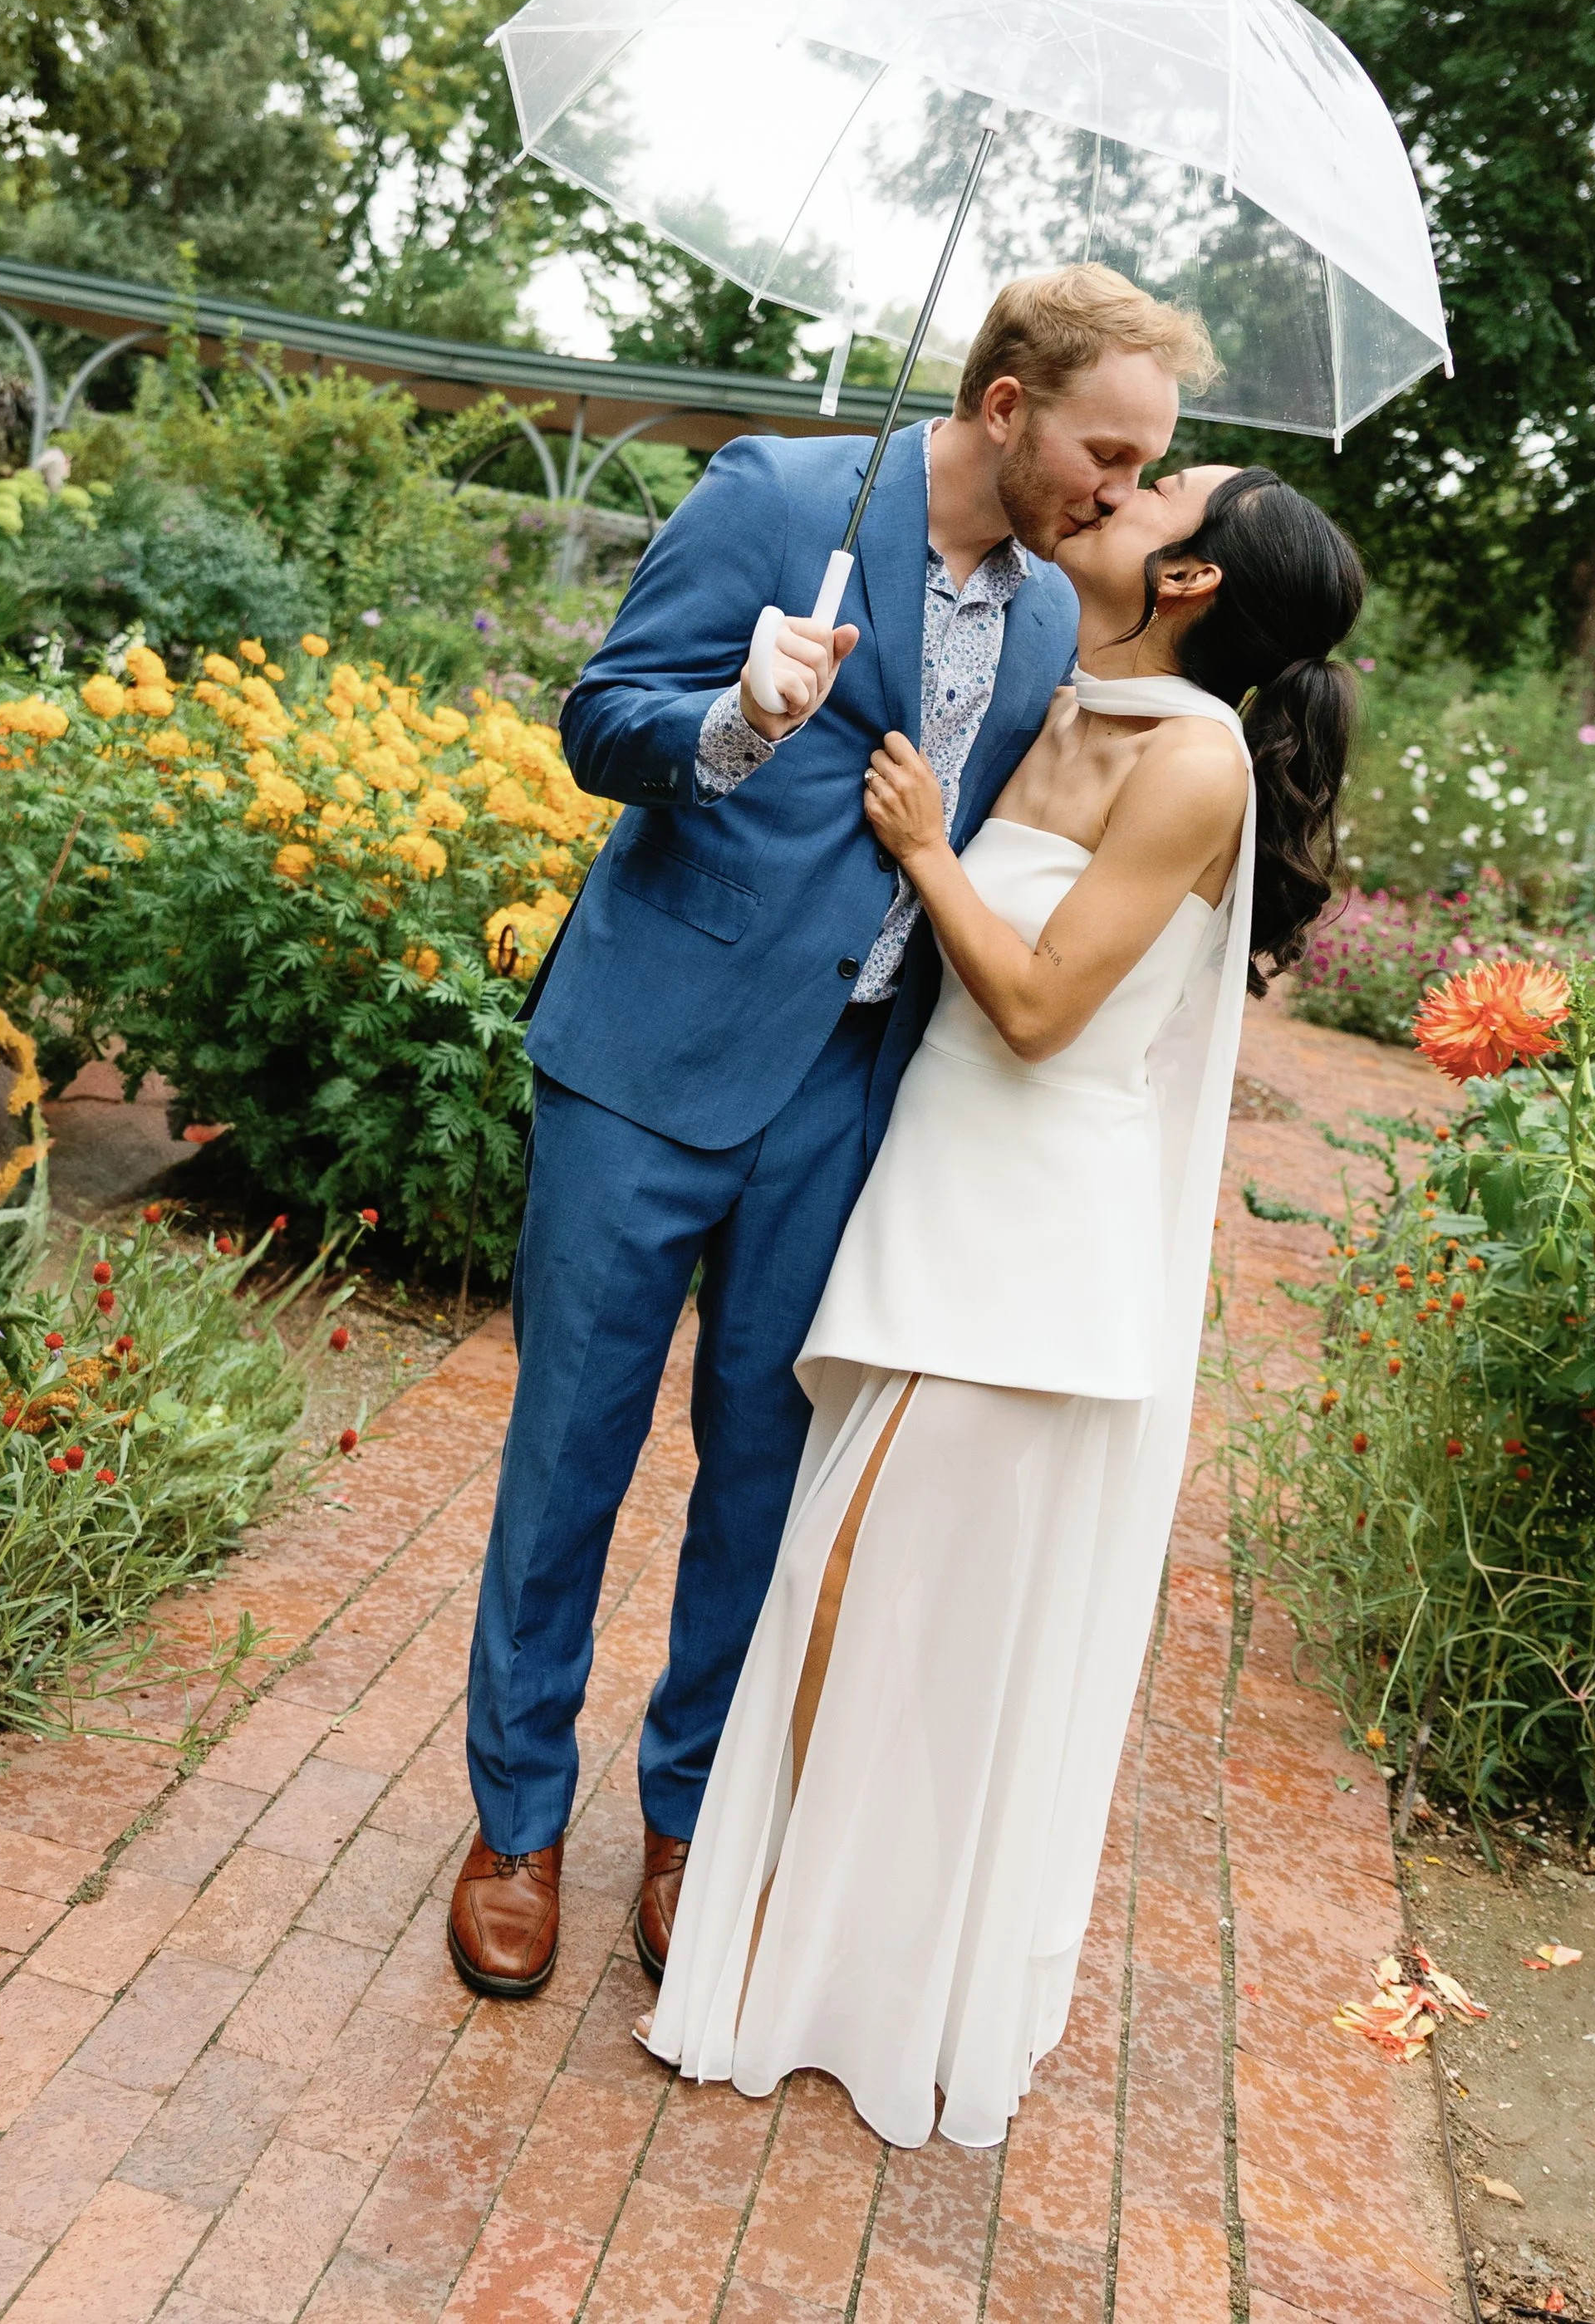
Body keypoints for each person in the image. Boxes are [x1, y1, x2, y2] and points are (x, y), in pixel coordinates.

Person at [449, 265, 1220, 1998]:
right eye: (1105, 450)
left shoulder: (1045, 621)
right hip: (643, 1064)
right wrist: (732, 722)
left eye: (1143, 463)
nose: (1118, 492)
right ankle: (511, 1821)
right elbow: (595, 723)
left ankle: (685, 1819)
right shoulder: (777, 496)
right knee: (570, 1446)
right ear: (1006, 407)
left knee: (757, 1477)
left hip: (846, 1090)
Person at [638, 462, 1366, 2145]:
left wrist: (916, 842)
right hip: (935, 1198)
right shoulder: (1061, 690)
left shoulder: (1187, 764)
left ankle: (793, 1965)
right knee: (872, 1597)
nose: (1121, 483)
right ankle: (808, 1960)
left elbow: (1038, 1006)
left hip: (1031, 1252)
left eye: (1159, 487)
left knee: (844, 1589)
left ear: (1184, 581)